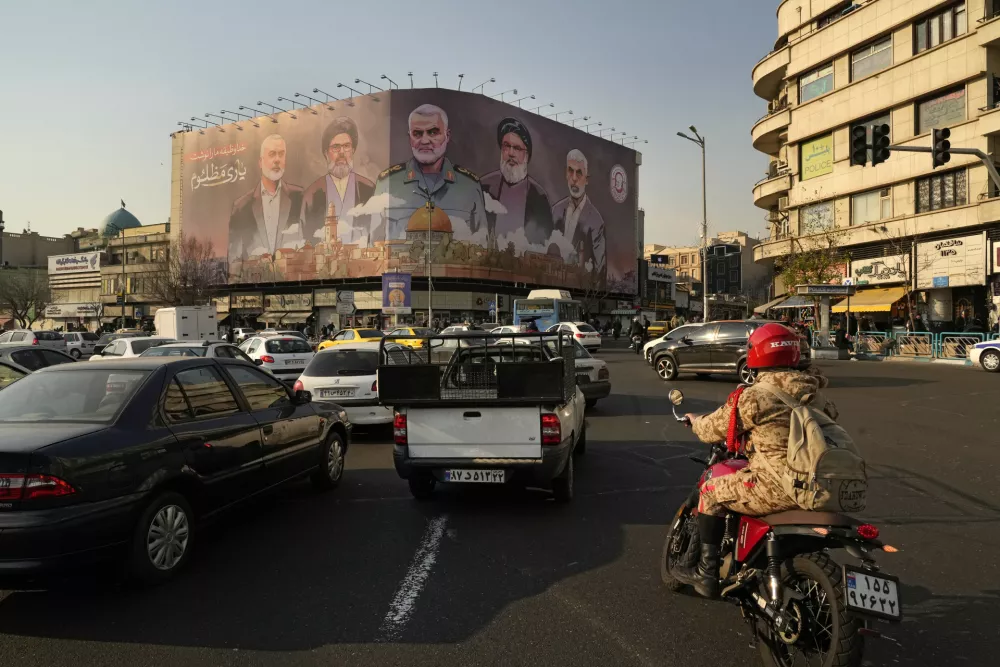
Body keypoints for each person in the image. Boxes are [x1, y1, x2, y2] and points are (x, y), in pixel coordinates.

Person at [673, 324, 839, 598]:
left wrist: (694, 421)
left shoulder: (754, 397)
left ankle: (707, 572)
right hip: (822, 484)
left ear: (757, 354)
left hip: (778, 486)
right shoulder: (817, 395)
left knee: (710, 492)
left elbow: (713, 428)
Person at [372, 104, 487, 242]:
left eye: (433, 132)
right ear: (410, 137)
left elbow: (482, 248)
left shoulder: (470, 187)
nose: (425, 141)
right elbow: (374, 247)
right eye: (417, 133)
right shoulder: (387, 183)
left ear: (447, 135)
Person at [228, 134, 306, 262]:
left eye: (281, 154)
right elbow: (234, 261)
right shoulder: (241, 207)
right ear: (260, 162)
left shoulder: (300, 198)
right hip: (255, 280)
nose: (277, 159)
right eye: (272, 154)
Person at [301, 117, 376, 245]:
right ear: (326, 153)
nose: (342, 152)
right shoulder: (311, 195)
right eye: (336, 147)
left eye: (346, 146)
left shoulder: (369, 189)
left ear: (353, 150)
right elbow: (305, 240)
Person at [480, 117, 554, 248]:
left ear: (527, 155)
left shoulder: (538, 197)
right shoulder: (483, 186)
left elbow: (543, 243)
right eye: (506, 146)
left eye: (517, 148)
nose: (511, 153)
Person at [551, 149, 607, 281]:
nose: (574, 178)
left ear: (587, 179)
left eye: (579, 173)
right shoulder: (556, 211)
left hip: (582, 290)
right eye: (570, 171)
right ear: (566, 173)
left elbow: (600, 269)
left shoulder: (596, 221)